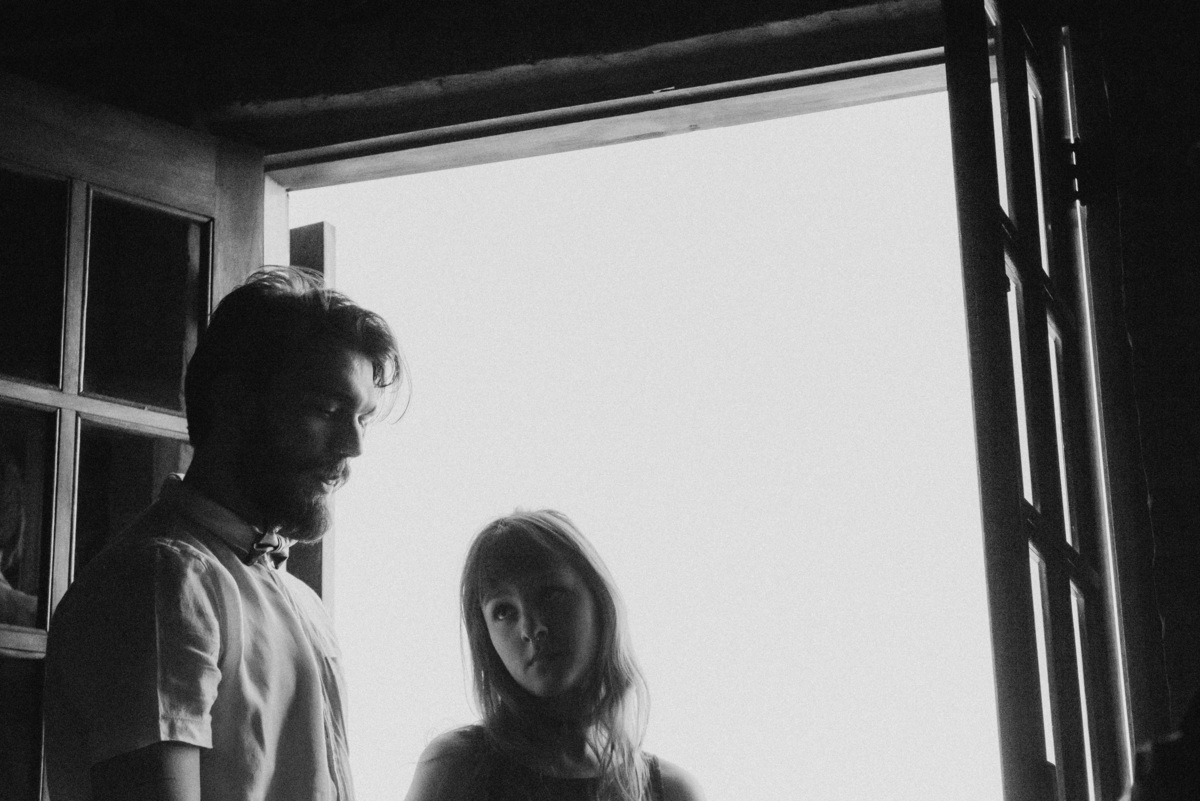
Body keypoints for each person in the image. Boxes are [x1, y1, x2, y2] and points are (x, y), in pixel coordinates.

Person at [44, 266, 403, 801]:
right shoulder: (163, 581)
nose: (354, 447)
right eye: (327, 409)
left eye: (363, 419)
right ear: (233, 400)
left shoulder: (301, 602)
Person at [405, 509, 705, 801]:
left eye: (551, 595)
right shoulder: (456, 770)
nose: (531, 628)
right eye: (504, 611)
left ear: (600, 604)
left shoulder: (670, 791)